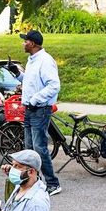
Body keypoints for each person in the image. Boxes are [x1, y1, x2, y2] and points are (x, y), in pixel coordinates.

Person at [18, 29, 62, 196]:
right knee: (29, 147)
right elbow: (31, 81)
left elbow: (54, 85)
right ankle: (34, 181)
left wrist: (35, 99)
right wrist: (17, 75)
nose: (23, 43)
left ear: (33, 44)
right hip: (30, 109)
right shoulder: (32, 60)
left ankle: (53, 183)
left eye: (25, 41)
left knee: (39, 147)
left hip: (40, 109)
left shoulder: (45, 61)